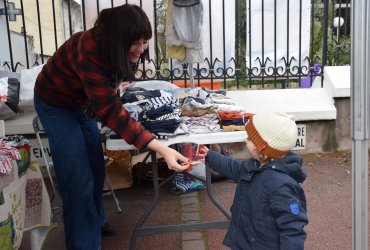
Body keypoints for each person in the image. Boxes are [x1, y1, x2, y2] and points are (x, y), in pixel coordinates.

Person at [33, 4, 189, 250]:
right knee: (76, 177)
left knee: (95, 167)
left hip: (81, 102)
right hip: (55, 103)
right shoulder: (89, 52)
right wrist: (162, 148)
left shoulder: (115, 47)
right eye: (135, 42)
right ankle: (84, 244)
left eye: (145, 41)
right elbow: (110, 111)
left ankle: (93, 223)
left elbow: (109, 97)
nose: (142, 48)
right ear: (119, 38)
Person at [197, 112, 309, 250]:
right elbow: (233, 168)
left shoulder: (281, 185)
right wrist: (210, 156)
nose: (245, 140)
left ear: (262, 147)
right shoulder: (255, 165)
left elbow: (292, 228)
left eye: (250, 138)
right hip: (246, 240)